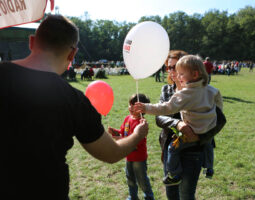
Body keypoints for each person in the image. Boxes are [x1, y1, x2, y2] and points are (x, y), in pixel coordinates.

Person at [0, 14, 149, 200]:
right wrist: (137, 135)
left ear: (31, 42)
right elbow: (111, 153)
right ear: (72, 54)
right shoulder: (73, 100)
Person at [134, 55, 223, 186]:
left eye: (181, 73)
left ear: (195, 74)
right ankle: (208, 166)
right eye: (170, 68)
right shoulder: (211, 90)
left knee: (172, 148)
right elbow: (219, 105)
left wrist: (146, 107)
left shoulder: (185, 94)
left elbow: (165, 108)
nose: (176, 74)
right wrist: (211, 116)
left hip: (189, 134)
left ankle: (174, 174)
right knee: (209, 144)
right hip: (207, 130)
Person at [108, 94, 155, 200]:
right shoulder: (127, 119)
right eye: (130, 105)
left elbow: (136, 141)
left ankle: (149, 196)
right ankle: (133, 196)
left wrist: (120, 139)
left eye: (134, 105)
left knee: (142, 180)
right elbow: (123, 133)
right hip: (128, 156)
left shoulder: (142, 124)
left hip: (138, 158)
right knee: (130, 178)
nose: (131, 107)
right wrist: (116, 132)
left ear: (142, 108)